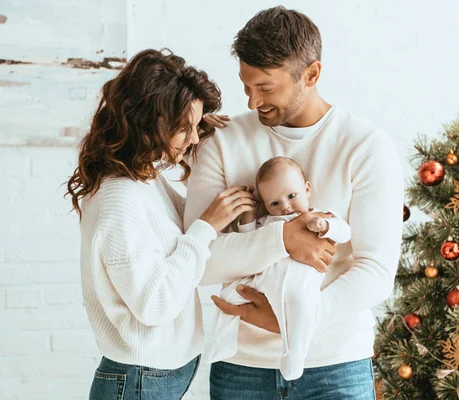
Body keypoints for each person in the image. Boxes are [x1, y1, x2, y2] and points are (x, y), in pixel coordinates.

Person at [184, 6, 403, 399]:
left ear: (312, 74)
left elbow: (376, 270)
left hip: (335, 366)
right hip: (241, 368)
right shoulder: (222, 143)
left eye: (266, 87)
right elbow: (198, 261)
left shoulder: (366, 147)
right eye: (246, 86)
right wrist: (282, 239)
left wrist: (296, 320)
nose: (252, 102)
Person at [65, 49, 256, 400]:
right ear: (147, 121)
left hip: (152, 376)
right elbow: (154, 303)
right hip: (139, 381)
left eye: (195, 126)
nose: (194, 137)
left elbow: (174, 231)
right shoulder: (118, 196)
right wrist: (206, 226)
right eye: (183, 128)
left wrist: (197, 145)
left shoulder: (141, 177)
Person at [203, 156, 351, 381]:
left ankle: (294, 355)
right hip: (263, 281)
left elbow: (345, 232)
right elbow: (248, 239)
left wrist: (326, 227)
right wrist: (249, 214)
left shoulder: (318, 216)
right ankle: (221, 342)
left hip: (299, 283)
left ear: (307, 189)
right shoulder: (269, 222)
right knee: (229, 296)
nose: (285, 206)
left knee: (301, 308)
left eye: (292, 196)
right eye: (274, 203)